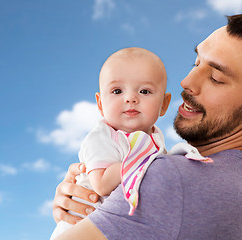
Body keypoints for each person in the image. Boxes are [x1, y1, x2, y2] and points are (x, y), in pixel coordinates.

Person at [52, 13, 242, 240]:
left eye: (216, 78)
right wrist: (92, 201)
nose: (186, 82)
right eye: (196, 63)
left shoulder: (168, 177)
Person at [50, 47, 172, 239]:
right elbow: (101, 185)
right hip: (80, 224)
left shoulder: (156, 138)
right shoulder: (102, 137)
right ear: (100, 104)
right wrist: (142, 165)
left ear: (164, 104)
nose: (130, 98)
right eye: (117, 91)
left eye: (144, 91)